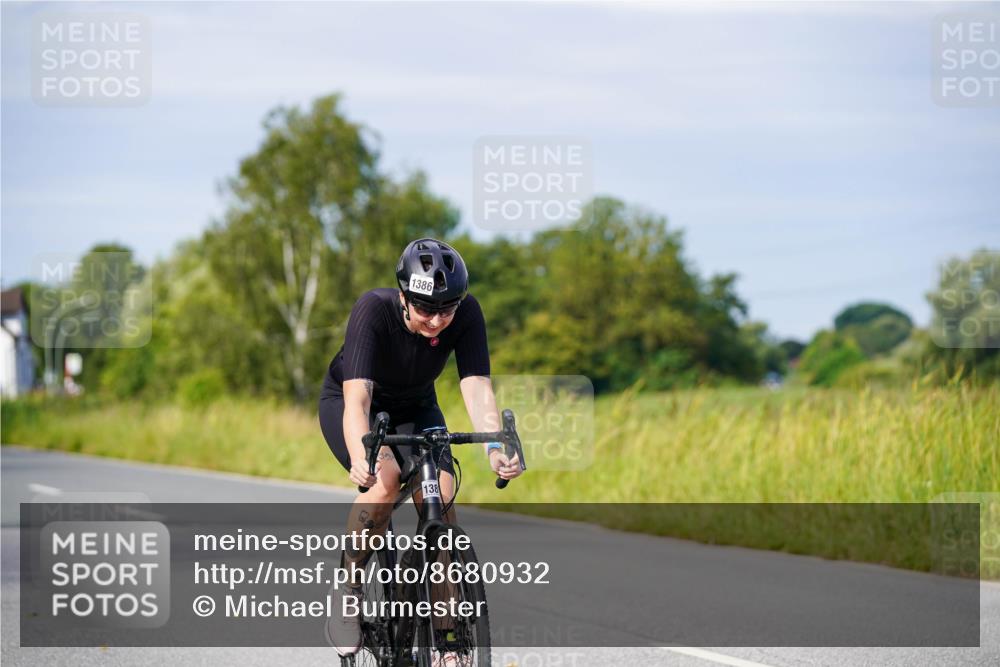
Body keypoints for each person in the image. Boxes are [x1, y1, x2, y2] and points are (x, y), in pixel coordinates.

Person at [318, 238, 522, 659]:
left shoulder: (466, 315)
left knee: (442, 501)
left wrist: (493, 450)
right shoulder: (373, 310)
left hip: (417, 406)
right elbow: (357, 398)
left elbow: (476, 384)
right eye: (425, 309)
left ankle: (448, 641)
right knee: (385, 483)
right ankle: (350, 588)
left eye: (445, 310)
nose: (435, 320)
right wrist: (362, 456)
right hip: (356, 402)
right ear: (404, 296)